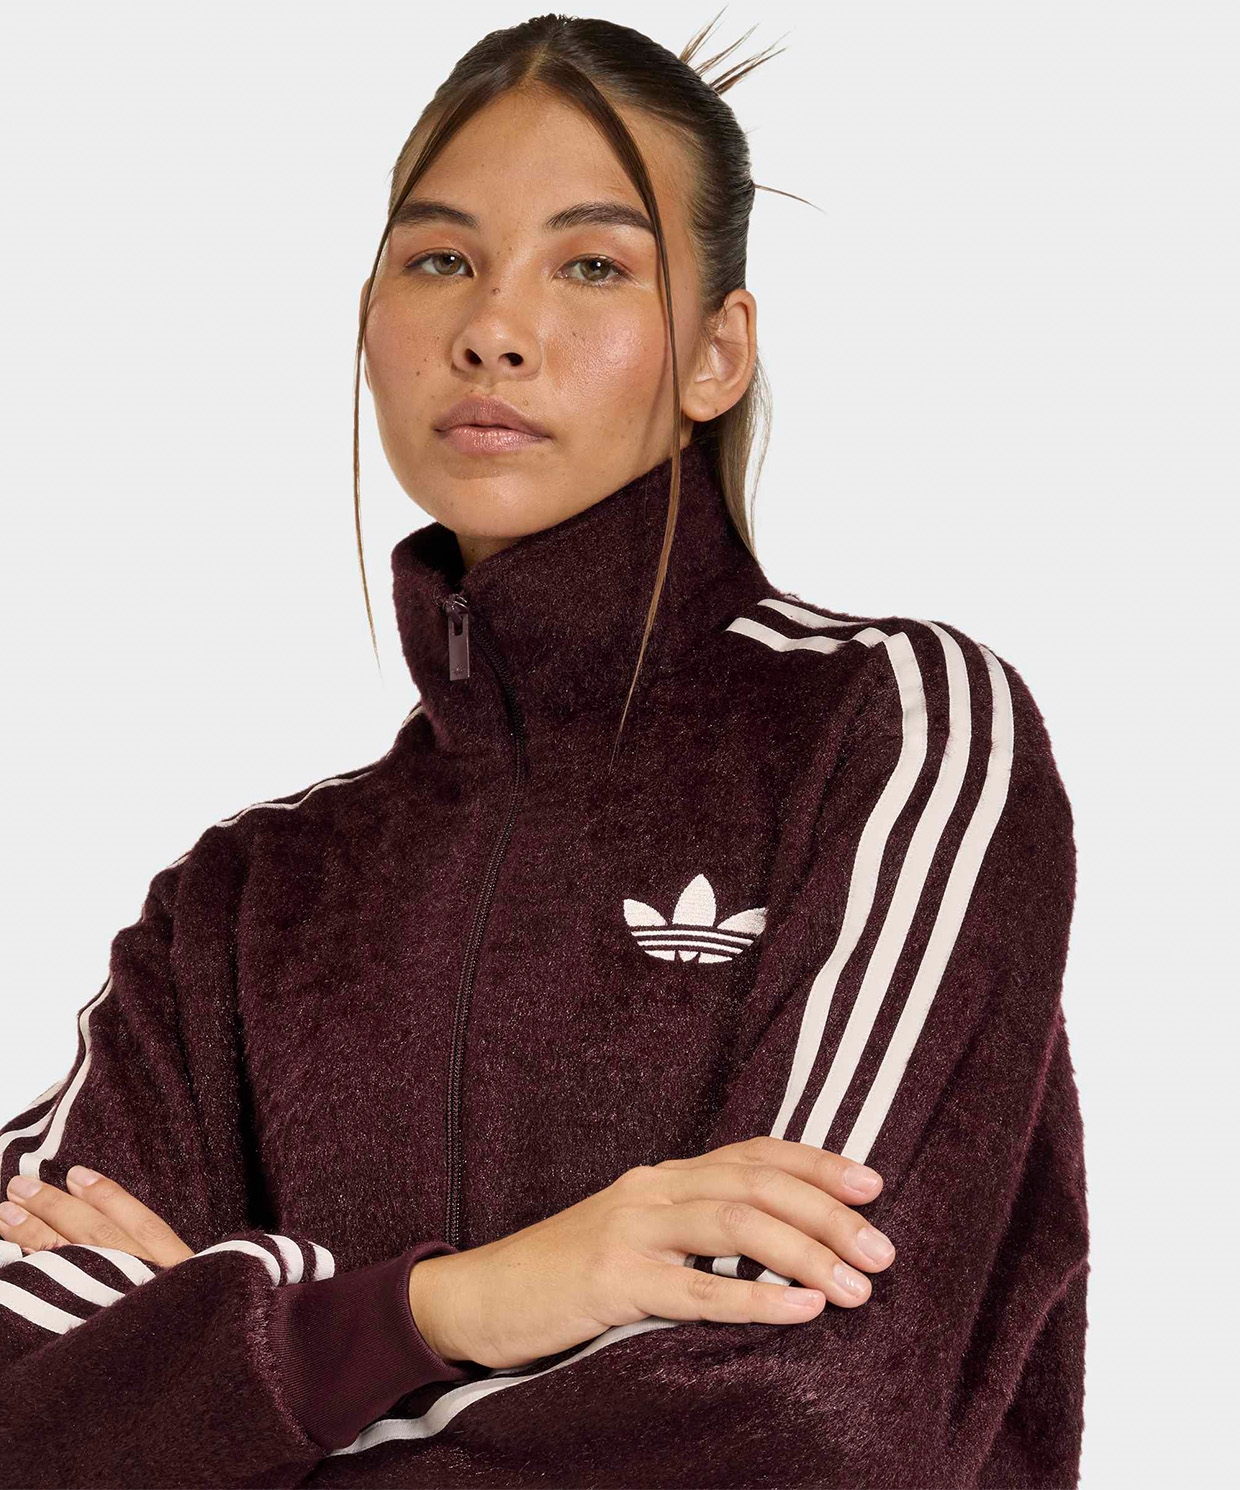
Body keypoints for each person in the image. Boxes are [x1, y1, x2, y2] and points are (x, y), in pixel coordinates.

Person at [0, 13, 1089, 1488]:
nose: (495, 329)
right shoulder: (246, 899)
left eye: (593, 266)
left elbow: (812, 1414)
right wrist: (452, 1302)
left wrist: (226, 1387)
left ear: (716, 352)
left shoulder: (892, 726)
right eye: (440, 258)